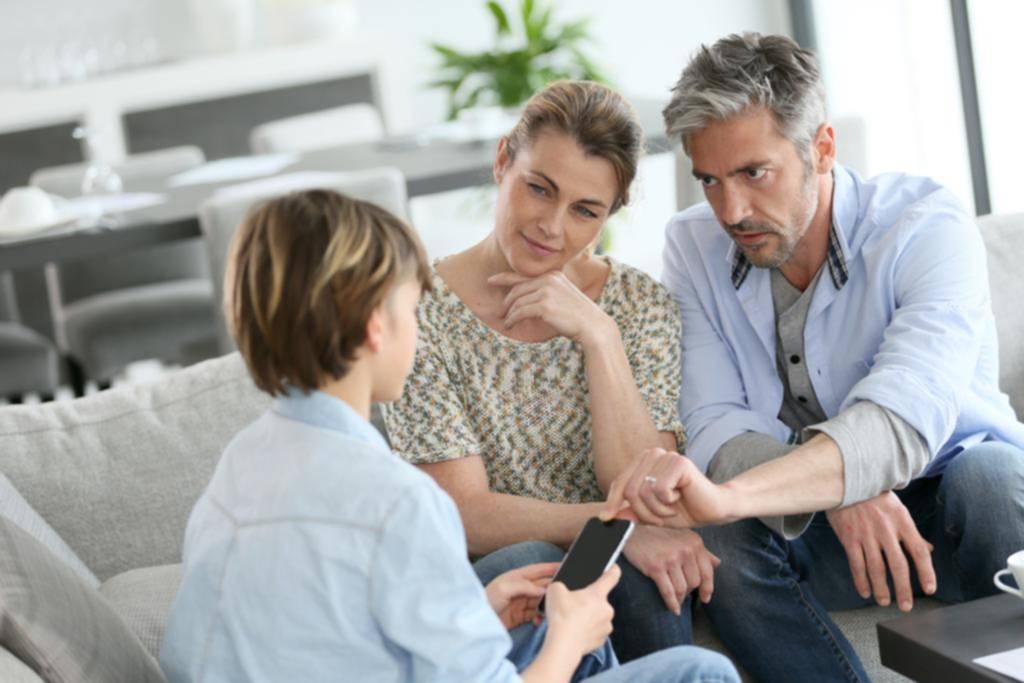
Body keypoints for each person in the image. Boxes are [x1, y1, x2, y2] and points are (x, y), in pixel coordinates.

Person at [158, 189, 738, 683]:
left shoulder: (243, 462)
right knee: (698, 672)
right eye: (414, 309)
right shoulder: (398, 503)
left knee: (531, 637)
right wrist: (570, 634)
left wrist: (479, 613)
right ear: (374, 328)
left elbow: (332, 635)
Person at [601, 32, 1024, 683]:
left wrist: (826, 477)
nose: (731, 209)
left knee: (994, 475)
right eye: (709, 180)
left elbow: (901, 416)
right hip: (812, 526)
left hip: (950, 498)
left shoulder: (926, 225)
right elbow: (715, 420)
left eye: (753, 172)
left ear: (822, 148)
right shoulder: (692, 245)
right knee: (723, 531)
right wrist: (833, 492)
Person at [380, 80, 718, 662]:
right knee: (534, 558)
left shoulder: (639, 306)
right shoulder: (418, 314)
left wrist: (600, 337)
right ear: (502, 161)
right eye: (539, 189)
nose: (551, 228)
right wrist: (617, 528)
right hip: (502, 576)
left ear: (610, 215)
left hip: (614, 573)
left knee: (637, 578)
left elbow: (647, 489)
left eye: (585, 211)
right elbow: (464, 512)